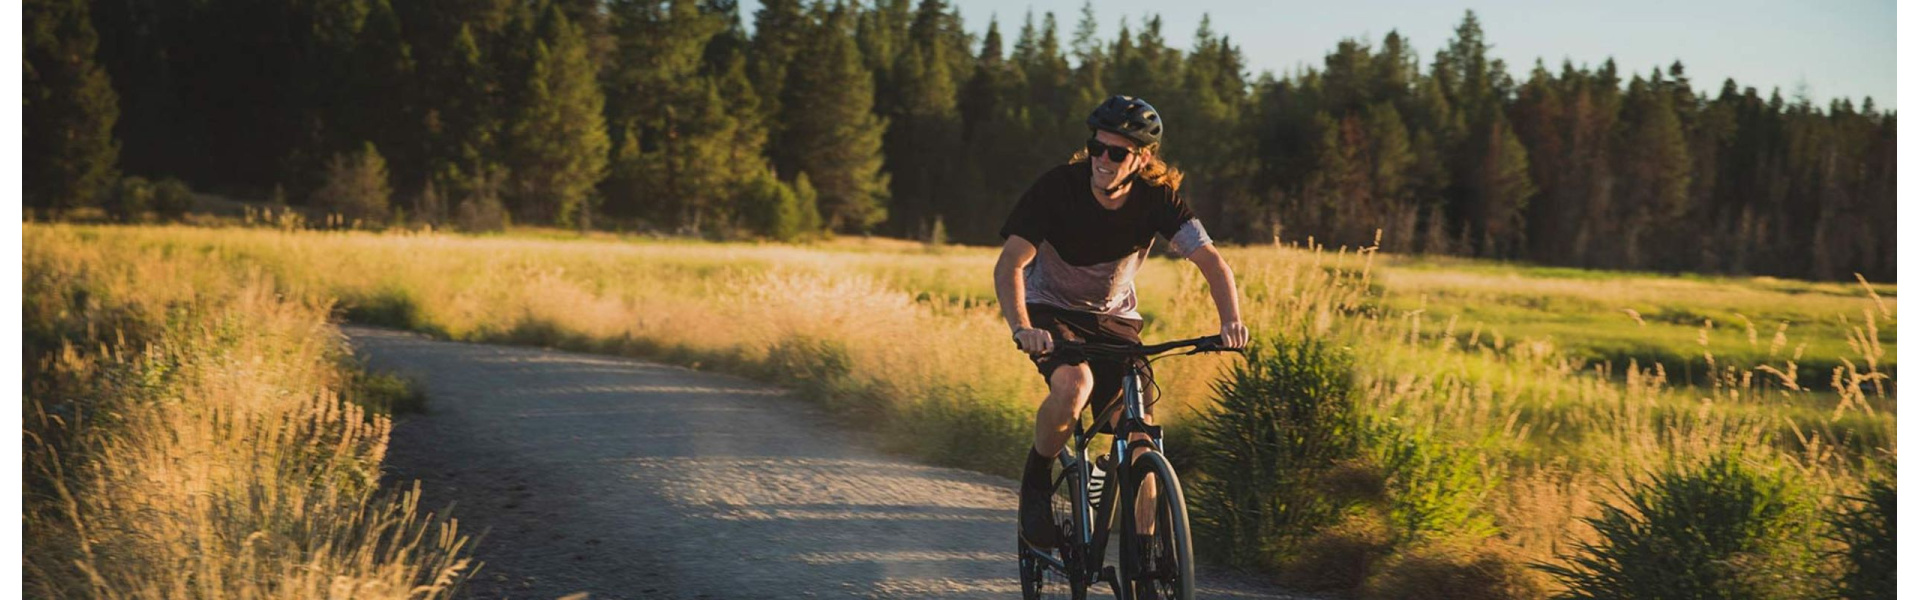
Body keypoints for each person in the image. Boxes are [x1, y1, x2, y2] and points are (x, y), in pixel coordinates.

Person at [994, 95, 1249, 554]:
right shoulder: (1057, 188)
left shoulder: (1157, 199)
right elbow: (1011, 263)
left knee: (1139, 434)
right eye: (1097, 148)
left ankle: (1145, 556)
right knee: (1074, 386)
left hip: (1113, 317)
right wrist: (1022, 326)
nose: (1102, 160)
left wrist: (1231, 321)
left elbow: (1211, 262)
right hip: (1051, 308)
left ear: (1143, 158)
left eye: (1117, 152)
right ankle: (1037, 476)